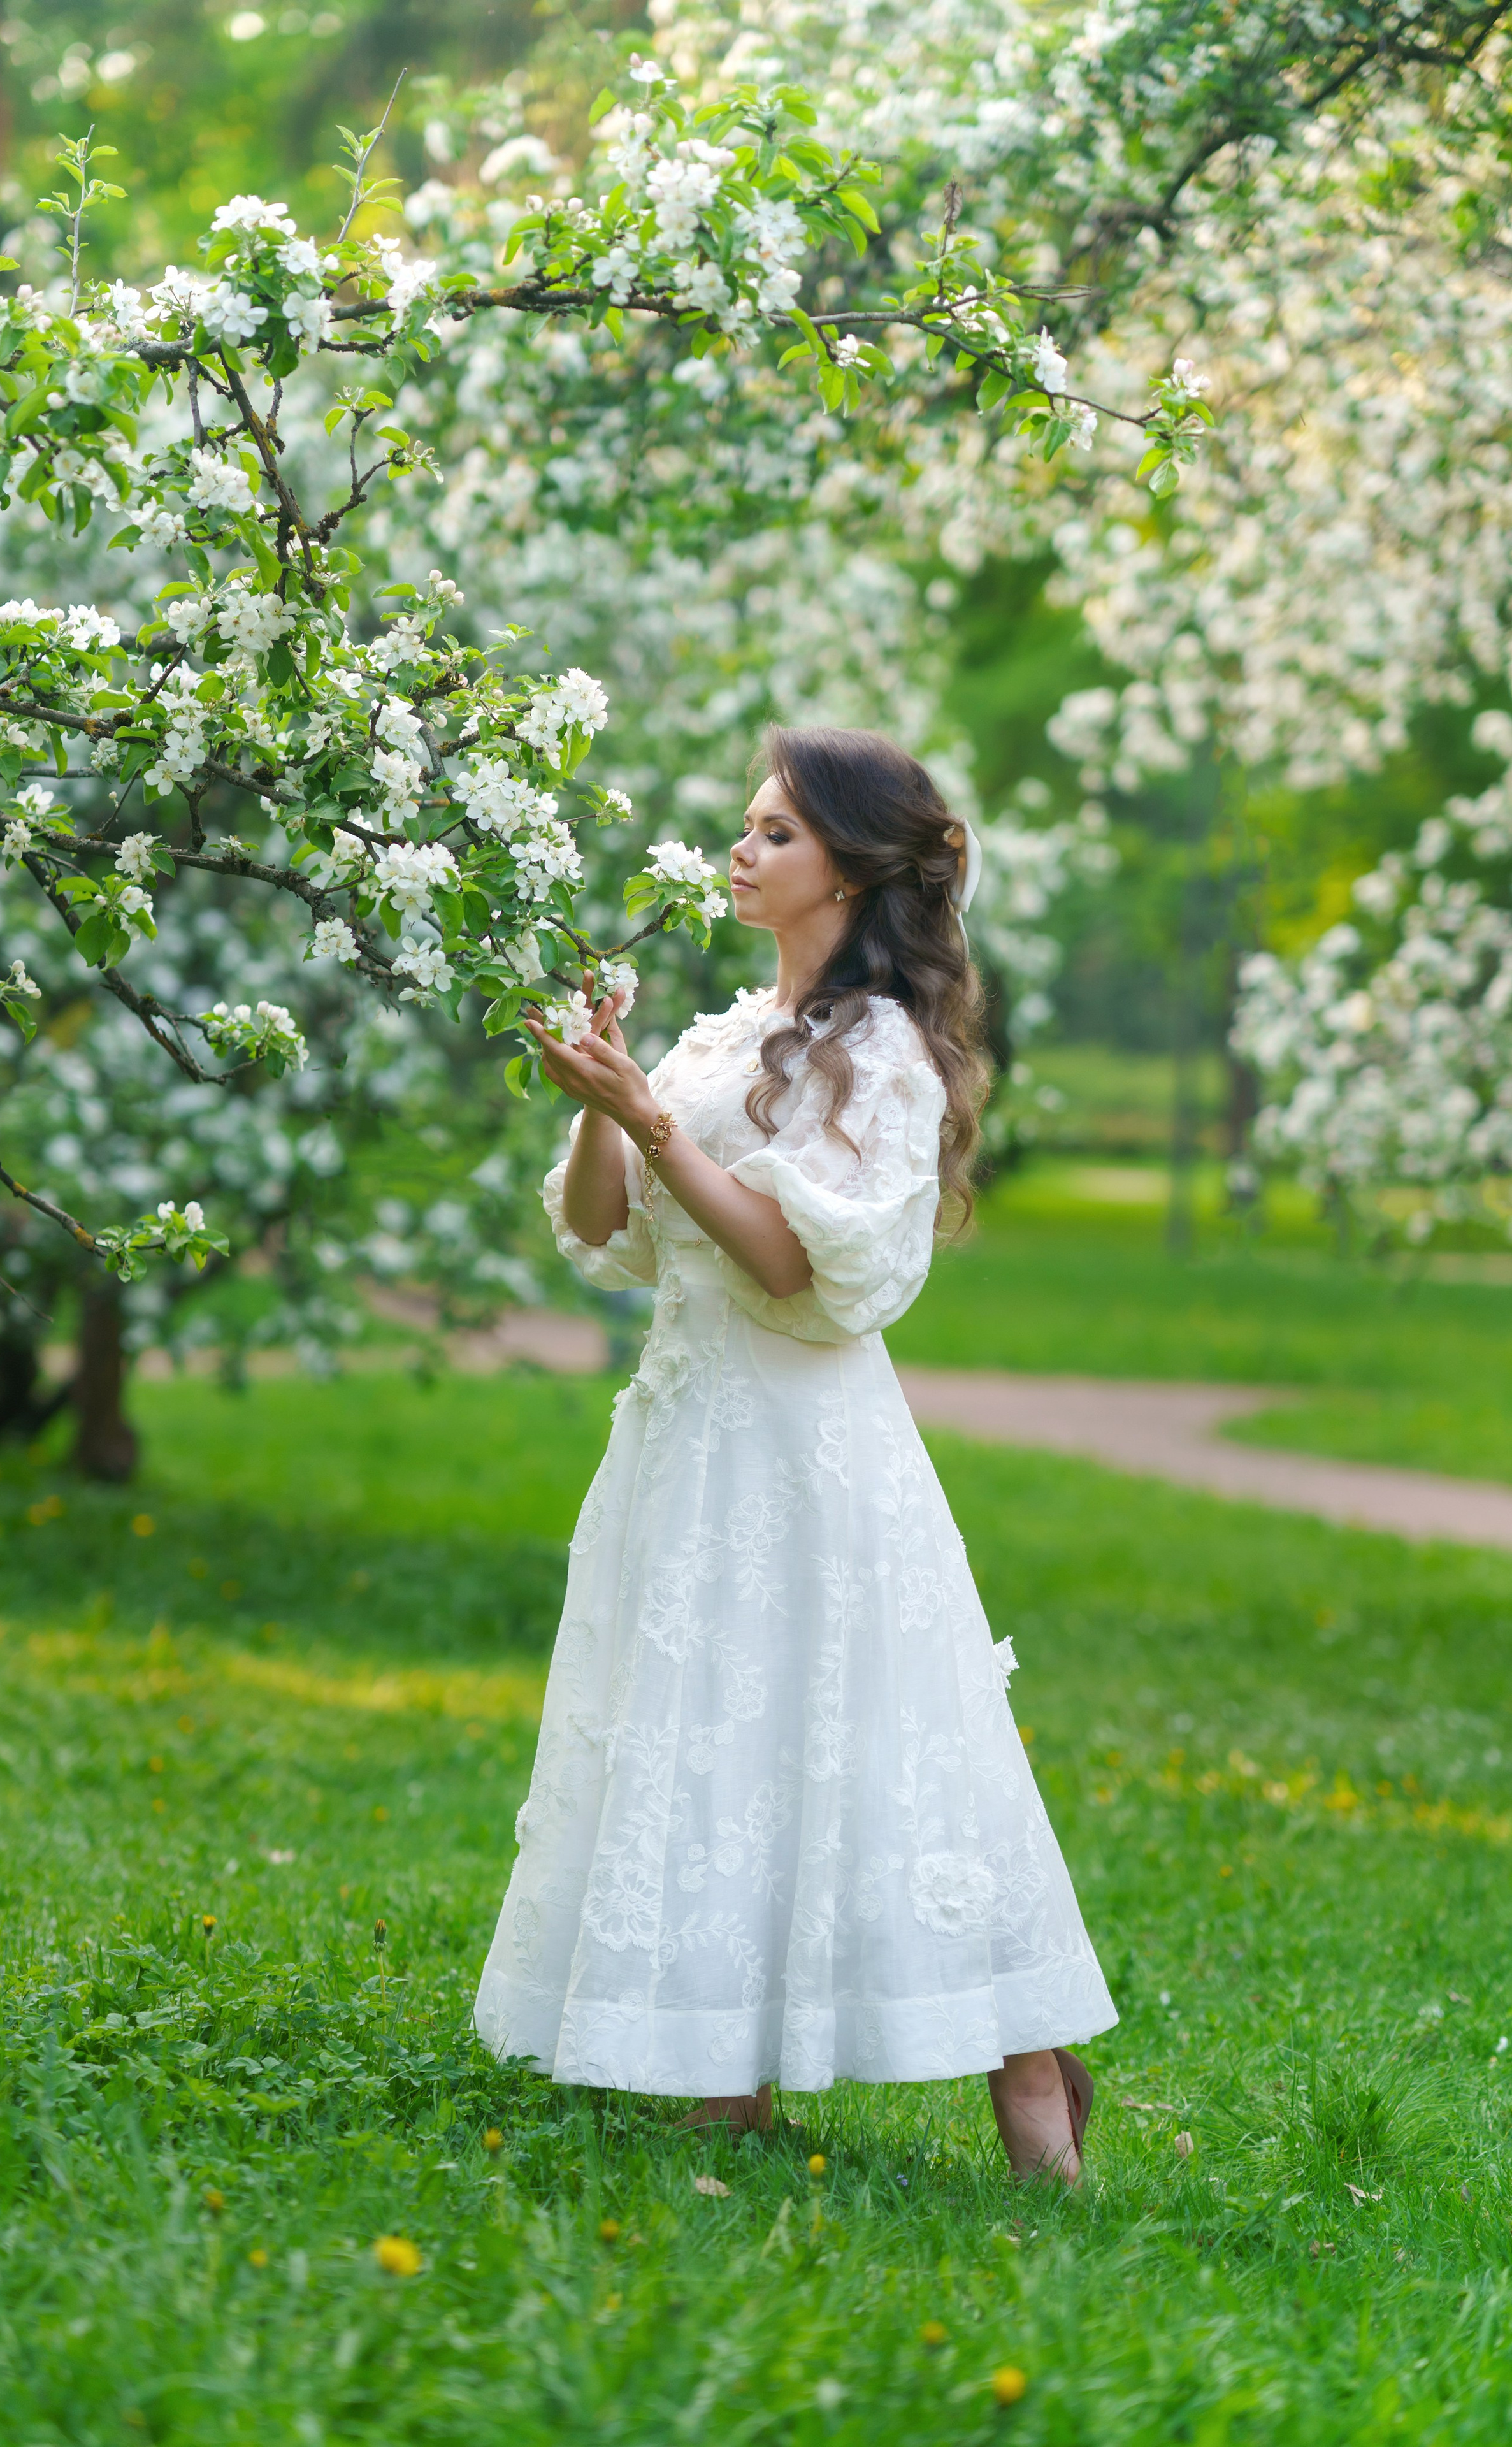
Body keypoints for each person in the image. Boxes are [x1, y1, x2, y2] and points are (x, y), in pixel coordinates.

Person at [473, 725, 1116, 2181]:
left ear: (848, 869)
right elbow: (602, 1232)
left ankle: (1027, 2075)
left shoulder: (876, 1051)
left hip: (809, 1456)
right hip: (683, 1441)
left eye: (775, 832)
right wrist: (607, 1100)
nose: (742, 850)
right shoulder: (713, 1038)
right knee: (707, 1737)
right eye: (746, 825)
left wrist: (648, 1119)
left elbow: (787, 1267)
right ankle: (719, 2071)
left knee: (892, 1746)